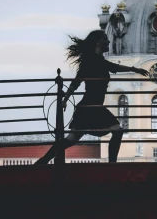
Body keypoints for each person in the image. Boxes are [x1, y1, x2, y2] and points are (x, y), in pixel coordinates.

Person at [35, 30, 149, 165]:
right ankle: (112, 164)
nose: (108, 42)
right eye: (105, 39)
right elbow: (76, 83)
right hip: (92, 107)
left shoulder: (97, 60)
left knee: (71, 140)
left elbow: (113, 67)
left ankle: (43, 161)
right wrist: (65, 99)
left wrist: (134, 69)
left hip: (89, 107)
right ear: (98, 42)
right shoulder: (91, 61)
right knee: (117, 131)